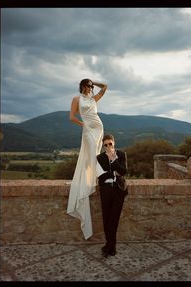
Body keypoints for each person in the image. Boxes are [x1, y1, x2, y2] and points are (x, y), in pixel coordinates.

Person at [67, 78, 107, 240]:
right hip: (88, 129)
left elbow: (105, 87)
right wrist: (83, 125)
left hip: (98, 128)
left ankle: (94, 178)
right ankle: (92, 179)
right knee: (90, 153)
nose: (90, 88)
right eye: (88, 85)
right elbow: (71, 117)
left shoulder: (94, 98)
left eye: (91, 86)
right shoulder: (76, 99)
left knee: (96, 154)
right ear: (82, 86)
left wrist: (93, 80)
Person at [96, 134, 128, 257]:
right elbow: (100, 176)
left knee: (114, 219)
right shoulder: (99, 158)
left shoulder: (121, 154)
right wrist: (114, 173)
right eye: (106, 145)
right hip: (105, 190)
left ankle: (111, 247)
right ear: (103, 146)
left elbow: (123, 171)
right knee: (106, 218)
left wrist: (113, 160)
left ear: (114, 143)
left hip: (119, 190)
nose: (108, 146)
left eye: (110, 144)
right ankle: (109, 245)